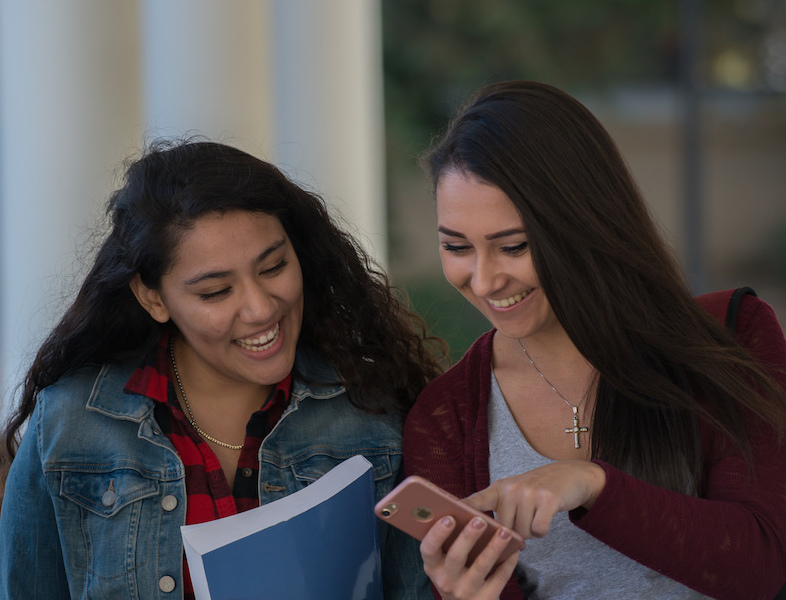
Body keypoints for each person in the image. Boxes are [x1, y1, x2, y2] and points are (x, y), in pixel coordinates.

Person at [0, 138, 446, 599]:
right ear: (153, 297)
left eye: (273, 267)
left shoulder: (371, 410)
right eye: (215, 292)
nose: (258, 308)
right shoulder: (71, 421)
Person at [403, 80, 786, 600]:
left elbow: (760, 566)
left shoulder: (733, 336)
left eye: (512, 246)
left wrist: (594, 485)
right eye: (456, 246)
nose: (485, 280)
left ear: (583, 222)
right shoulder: (445, 418)